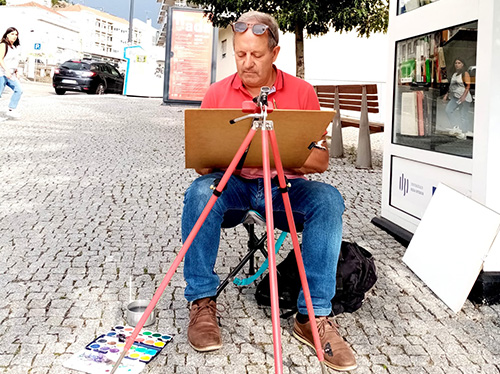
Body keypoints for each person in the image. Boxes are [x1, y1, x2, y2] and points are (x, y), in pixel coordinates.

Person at [181, 11, 357, 372]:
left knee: (328, 200)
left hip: (283, 186)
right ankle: (201, 301)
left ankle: (312, 317)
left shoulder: (302, 92)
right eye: (240, 54)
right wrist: (222, 150)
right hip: (235, 186)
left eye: (256, 56)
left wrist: (286, 152)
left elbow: (321, 162)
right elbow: (202, 166)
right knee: (199, 192)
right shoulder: (217, 92)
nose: (246, 63)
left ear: (274, 53)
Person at [443, 57, 473, 137]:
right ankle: (456, 126)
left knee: (463, 115)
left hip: (465, 98)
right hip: (456, 97)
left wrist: (463, 97)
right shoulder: (455, 74)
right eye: (456, 63)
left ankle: (464, 133)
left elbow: (468, 86)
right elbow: (452, 86)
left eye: (459, 63)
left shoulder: (465, 73)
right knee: (448, 110)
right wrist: (447, 94)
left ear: (463, 64)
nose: (457, 64)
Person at [0, 27, 23, 119]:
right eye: (12, 34)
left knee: (19, 90)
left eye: (16, 34)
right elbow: (0, 59)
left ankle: (11, 110)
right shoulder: (3, 45)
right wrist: (6, 70)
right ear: (7, 35)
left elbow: (14, 61)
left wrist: (16, 71)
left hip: (11, 74)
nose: (14, 36)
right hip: (2, 73)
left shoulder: (14, 47)